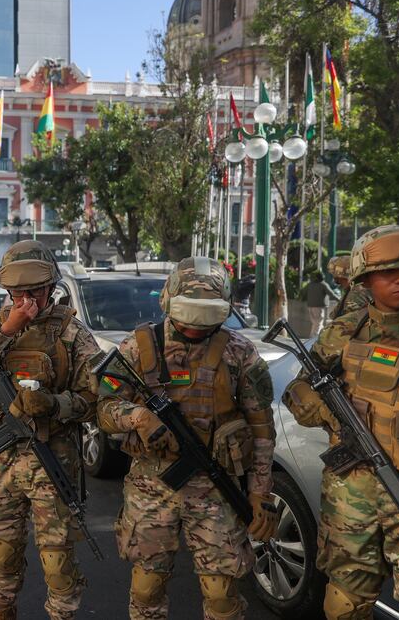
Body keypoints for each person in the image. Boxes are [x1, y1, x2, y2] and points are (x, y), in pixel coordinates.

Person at [285, 225, 399, 620]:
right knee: (343, 604)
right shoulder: (344, 331)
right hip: (351, 496)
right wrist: (315, 404)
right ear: (365, 279)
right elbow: (298, 387)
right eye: (389, 272)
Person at [98, 257, 277, 620]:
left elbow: (261, 429)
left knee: (222, 594)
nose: (194, 328)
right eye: (187, 316)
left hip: (216, 488)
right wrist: (137, 417)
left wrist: (260, 492)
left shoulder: (239, 352)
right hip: (151, 485)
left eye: (206, 318)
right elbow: (102, 408)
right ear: (168, 301)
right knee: (147, 589)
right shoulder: (138, 347)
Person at [0, 240, 103, 620]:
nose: (27, 300)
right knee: (3, 557)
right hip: (2, 464)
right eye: (18, 293)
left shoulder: (72, 333)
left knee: (57, 563)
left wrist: (54, 405)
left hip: (54, 463)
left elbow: (96, 399)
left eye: (35, 291)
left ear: (51, 286)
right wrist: (7, 330)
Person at [306, 271, 340, 336]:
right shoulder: (323, 284)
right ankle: (314, 339)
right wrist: (340, 300)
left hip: (310, 306)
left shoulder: (310, 284)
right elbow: (332, 294)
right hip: (319, 307)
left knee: (315, 323)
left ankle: (313, 337)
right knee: (318, 323)